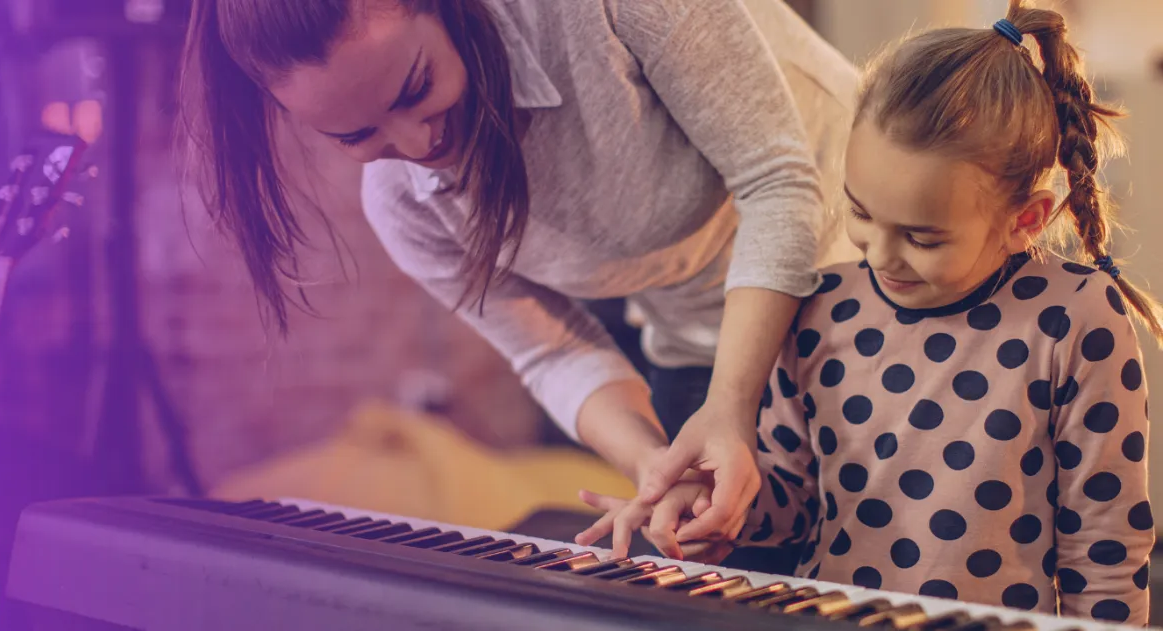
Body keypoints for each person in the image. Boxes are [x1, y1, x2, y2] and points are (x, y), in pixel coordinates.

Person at [175, 0, 859, 567]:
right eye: (357, 135)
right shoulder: (405, 204)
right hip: (697, 329)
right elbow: (554, 352)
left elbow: (777, 181)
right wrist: (657, 465)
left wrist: (732, 406)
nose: (414, 147)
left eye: (415, 88)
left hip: (877, 272)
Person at [580, 1, 1157, 624]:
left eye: (923, 237)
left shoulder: (1077, 317)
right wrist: (716, 502)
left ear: (1026, 221)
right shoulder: (821, 303)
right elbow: (795, 501)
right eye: (859, 212)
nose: (881, 255)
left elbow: (1103, 545)